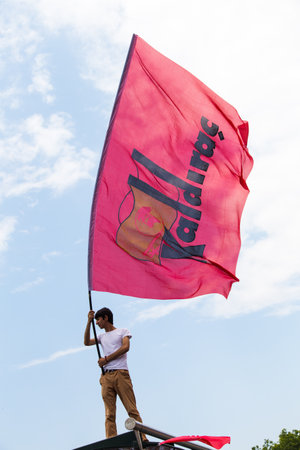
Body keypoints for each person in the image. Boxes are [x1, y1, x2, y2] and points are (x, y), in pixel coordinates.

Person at [84, 307, 147, 440]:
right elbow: (86, 342)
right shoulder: (101, 336)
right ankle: (111, 440)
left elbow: (125, 347)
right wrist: (89, 322)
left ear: (106, 318)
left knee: (131, 409)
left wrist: (106, 359)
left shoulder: (122, 331)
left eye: (98, 320)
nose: (97, 323)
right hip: (106, 377)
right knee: (109, 414)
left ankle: (142, 438)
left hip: (121, 374)